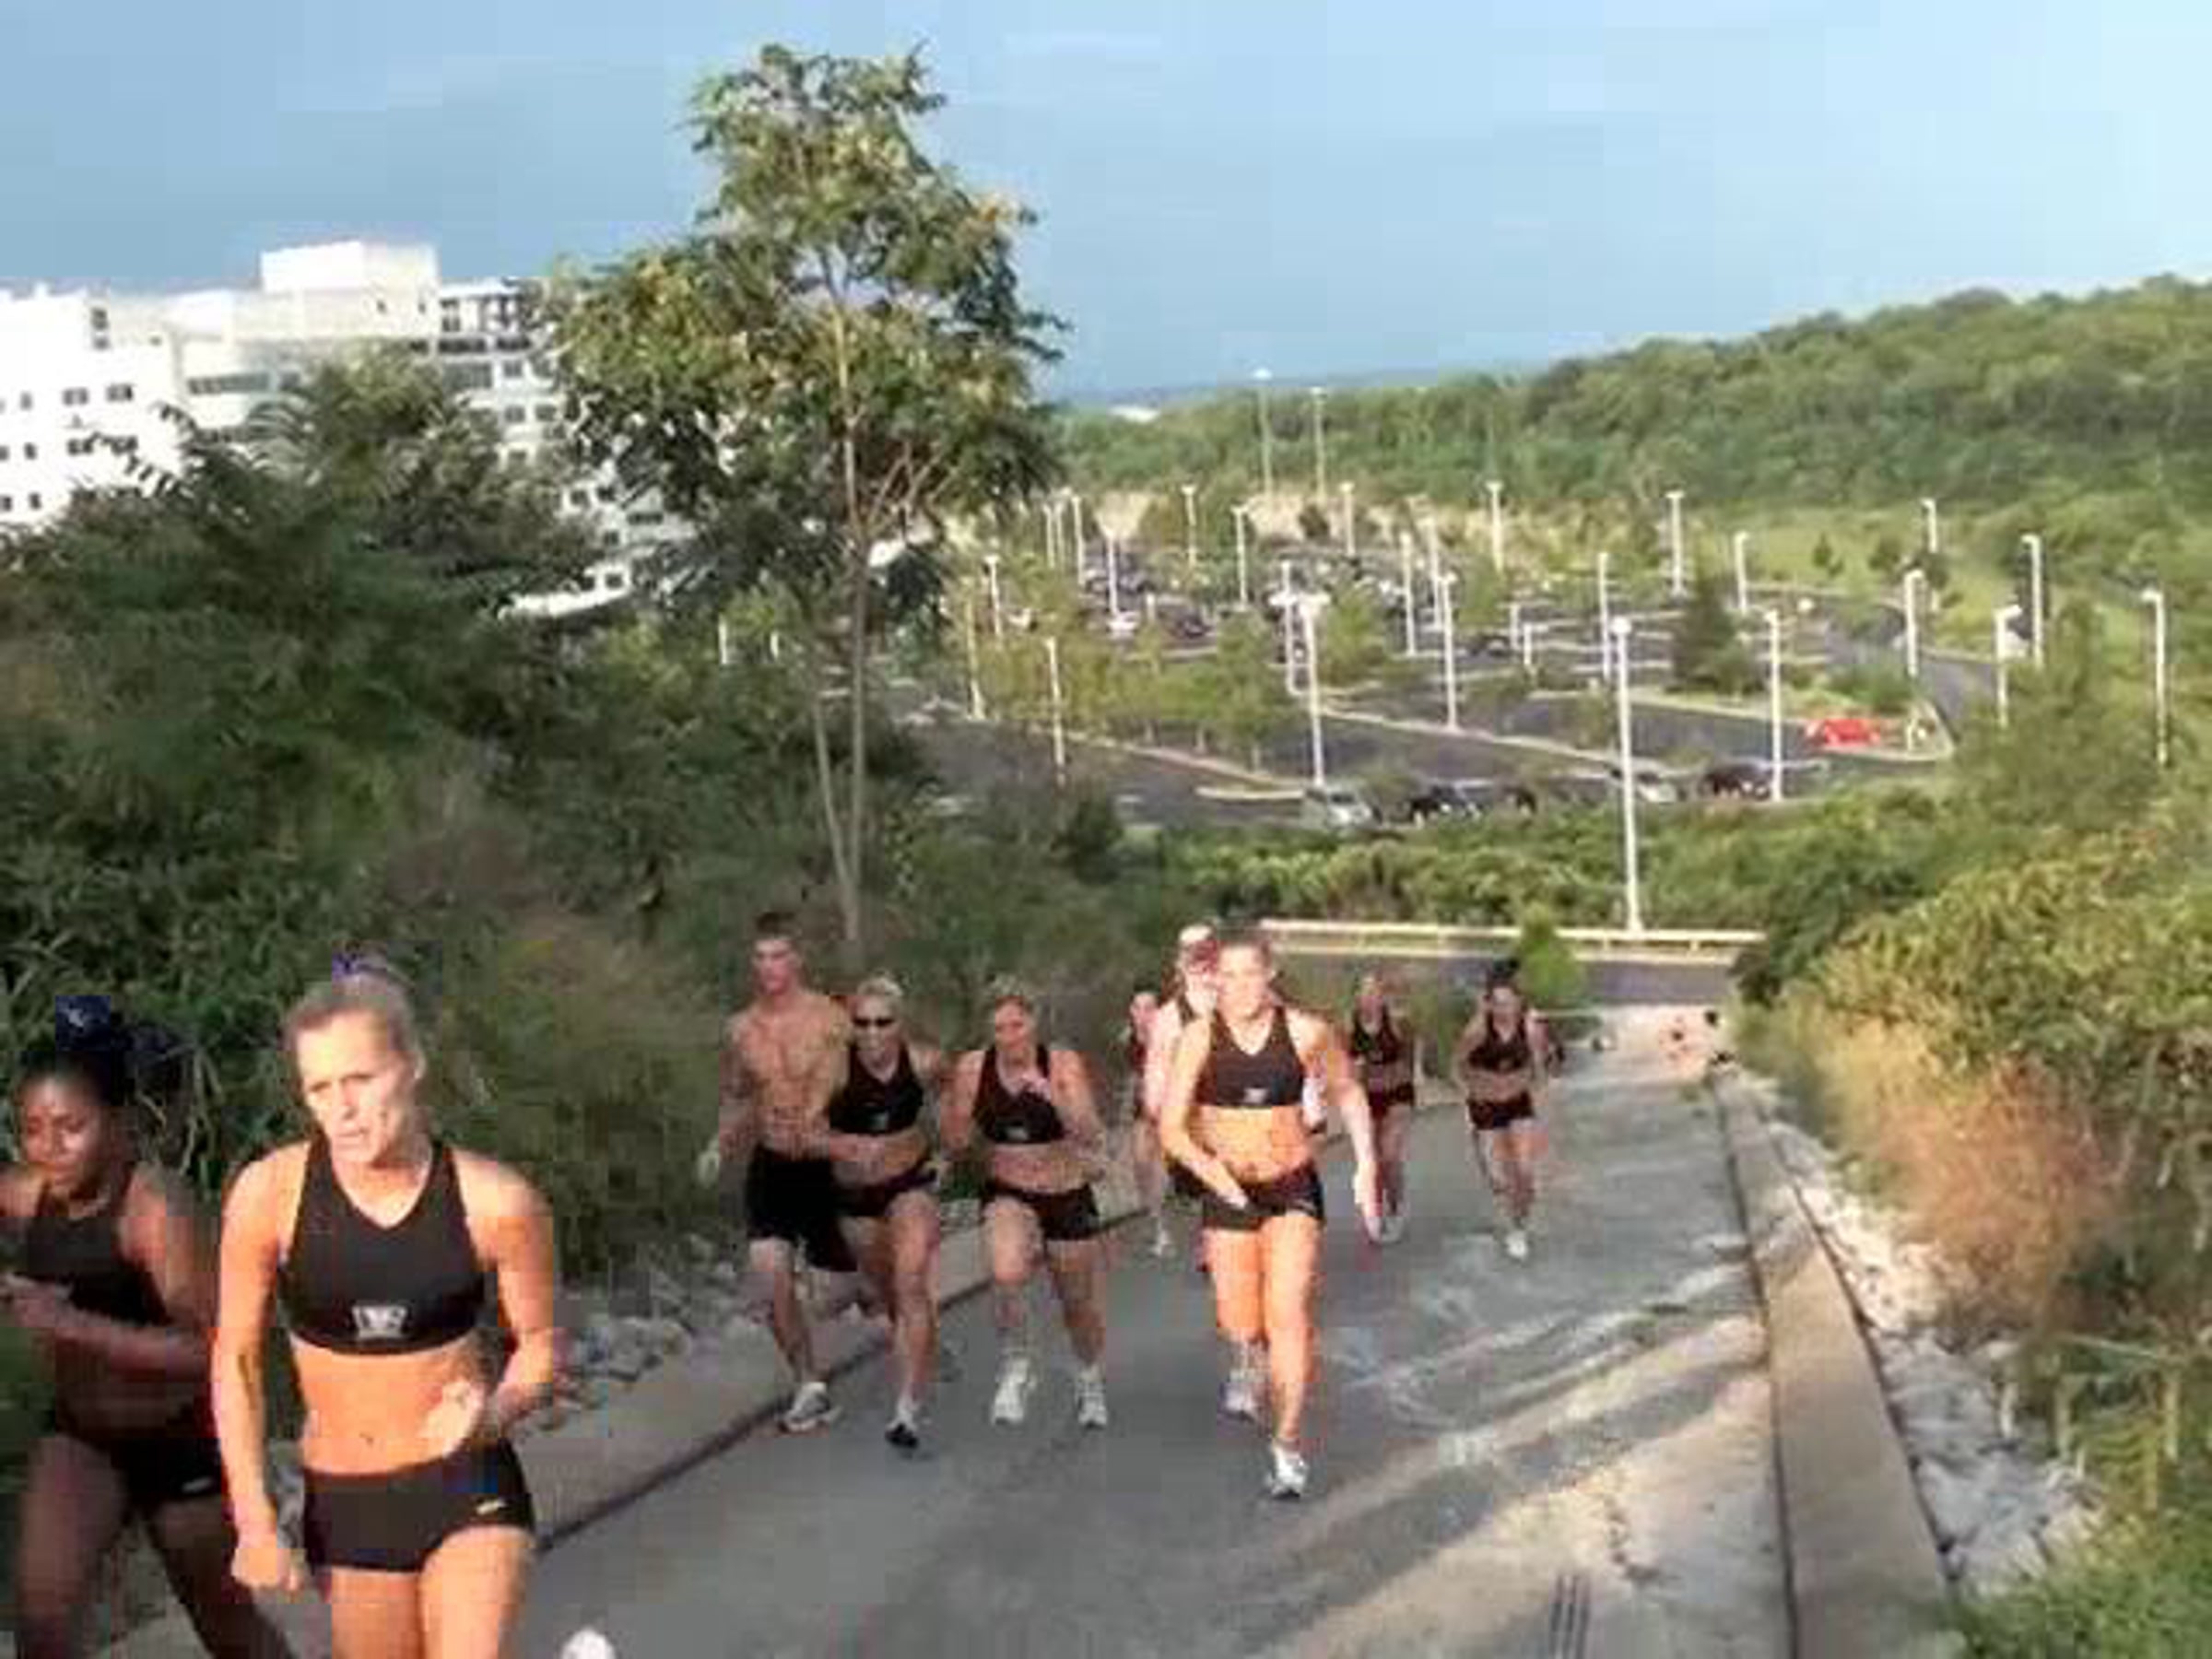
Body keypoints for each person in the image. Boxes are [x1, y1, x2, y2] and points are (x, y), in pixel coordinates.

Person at [215, 959, 559, 1659]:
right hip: (348, 1501)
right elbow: (237, 1358)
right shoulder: (269, 1195)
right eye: (320, 1088)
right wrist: (252, 1518)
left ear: (412, 1065)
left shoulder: (497, 1202)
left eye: (361, 1080)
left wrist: (492, 1414)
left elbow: (542, 1345)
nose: (341, 1109)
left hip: (467, 1480)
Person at [0, 997, 292, 1659]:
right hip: (84, 1436)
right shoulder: (25, 1194)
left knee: (224, 1621)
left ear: (120, 1123)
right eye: (33, 1129)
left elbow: (215, 1350)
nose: (49, 1148)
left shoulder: (154, 1210)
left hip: (181, 1438)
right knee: (42, 1621)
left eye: (71, 1128)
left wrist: (71, 1324)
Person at [1160, 934, 1382, 1500]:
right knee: (1239, 1320)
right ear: (1215, 980)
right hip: (1229, 1190)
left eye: (1249, 974)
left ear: (1270, 974)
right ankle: (1252, 1356)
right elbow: (1171, 1129)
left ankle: (1287, 1443)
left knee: (1289, 1312)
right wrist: (1217, 1179)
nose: (1238, 988)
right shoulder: (1198, 1038)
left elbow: (1348, 1091)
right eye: (1228, 976)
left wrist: (1366, 1166)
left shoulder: (1306, 1033)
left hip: (1290, 1187)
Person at [696, 912, 858, 1434]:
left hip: (825, 1165)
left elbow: (864, 1083)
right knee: (771, 1274)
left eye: (779, 955)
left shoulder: (831, 1018)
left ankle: (893, 1308)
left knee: (838, 1293)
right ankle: (809, 1385)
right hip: (772, 1164)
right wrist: (718, 1145)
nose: (770, 966)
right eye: (761, 957)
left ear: (797, 960)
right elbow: (738, 1096)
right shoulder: (741, 1030)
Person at [940, 982, 1112, 1431]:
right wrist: (955, 1122)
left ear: (1034, 1023)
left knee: (1077, 1302)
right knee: (1006, 1271)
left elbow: (1091, 1132)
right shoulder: (973, 1068)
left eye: (1016, 1026)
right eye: (998, 1029)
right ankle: (1018, 1364)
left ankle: (1089, 1376)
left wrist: (1055, 1096)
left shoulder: (1062, 1063)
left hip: (1064, 1188)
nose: (1008, 1038)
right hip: (1008, 1188)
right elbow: (957, 1140)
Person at [820, 975, 948, 1452]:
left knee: (911, 1279)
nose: (872, 1032)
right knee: (892, 1293)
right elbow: (798, 1129)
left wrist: (947, 1154)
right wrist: (841, 1145)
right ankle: (923, 1338)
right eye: (862, 1023)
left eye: (882, 1022)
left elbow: (955, 1103)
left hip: (910, 1184)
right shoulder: (833, 1072)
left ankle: (907, 1410)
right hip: (855, 1198)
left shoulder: (925, 1062)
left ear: (900, 1024)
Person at [1454, 969, 1551, 1262]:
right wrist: (1469, 1095)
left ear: (1519, 1003)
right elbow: (1457, 1065)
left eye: (1508, 1003)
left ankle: (1518, 1229)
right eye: (1496, 1003)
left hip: (1518, 1102)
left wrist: (1536, 1100)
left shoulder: (1530, 1030)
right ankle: (1508, 1187)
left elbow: (1539, 1070)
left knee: (1523, 1169)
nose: (1503, 1010)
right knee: (1497, 1179)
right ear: (1488, 1004)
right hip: (1485, 1105)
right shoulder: (1477, 1031)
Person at [1142, 924, 1224, 1262]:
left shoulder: (1244, 1001)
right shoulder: (1168, 1018)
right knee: (1203, 1190)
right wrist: (1158, 1109)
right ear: (1181, 962)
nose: (1201, 963)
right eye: (1193, 955)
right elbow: (1157, 1071)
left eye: (1207, 953)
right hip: (1193, 1119)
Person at [1347, 971, 1419, 1242]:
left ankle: (1397, 1207)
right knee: (1373, 1161)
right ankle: (1376, 1212)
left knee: (1389, 1155)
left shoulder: (1398, 1022)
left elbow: (1412, 1053)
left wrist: (1408, 1073)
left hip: (1396, 1094)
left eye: (1376, 992)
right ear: (1356, 997)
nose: (1370, 998)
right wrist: (1353, 1073)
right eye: (1365, 992)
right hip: (1365, 1097)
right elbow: (1340, 1064)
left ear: (1384, 997)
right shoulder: (1348, 1026)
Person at [1119, 982, 1170, 1258]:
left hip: (1167, 1105)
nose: (1143, 1014)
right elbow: (1129, 1076)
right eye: (1137, 1007)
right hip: (1141, 1106)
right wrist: (1126, 1108)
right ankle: (1153, 1213)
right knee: (1140, 1161)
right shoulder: (1127, 1037)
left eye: (1149, 1008)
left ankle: (1161, 1230)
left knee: (1159, 1165)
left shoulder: (1170, 1037)